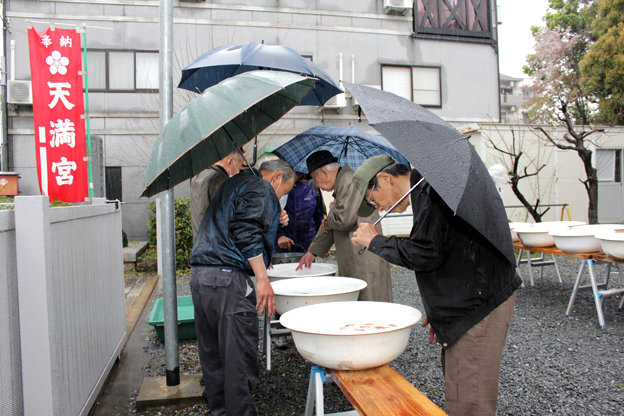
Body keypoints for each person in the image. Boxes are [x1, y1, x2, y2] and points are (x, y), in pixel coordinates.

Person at [350, 155, 522, 416]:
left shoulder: (434, 188)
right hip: (466, 297)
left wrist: (375, 242)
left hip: (479, 303)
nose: (380, 208)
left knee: (469, 398)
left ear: (385, 179)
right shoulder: (427, 188)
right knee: (459, 382)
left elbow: (426, 253)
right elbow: (447, 247)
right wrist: (440, 310)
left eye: (374, 200)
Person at [189, 159, 295, 416]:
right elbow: (245, 231)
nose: (281, 197)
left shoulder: (236, 182)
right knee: (239, 359)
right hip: (227, 280)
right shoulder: (261, 187)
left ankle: (220, 412)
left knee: (213, 358)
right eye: (284, 191)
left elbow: (236, 220)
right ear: (276, 177)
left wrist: (273, 217)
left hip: (201, 277)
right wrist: (262, 279)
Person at [296, 150, 392, 302]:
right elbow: (332, 223)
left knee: (370, 301)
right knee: (357, 300)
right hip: (356, 254)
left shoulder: (349, 180)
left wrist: (332, 211)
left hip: (364, 257)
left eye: (315, 179)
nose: (317, 185)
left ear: (324, 172)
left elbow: (343, 220)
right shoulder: (343, 182)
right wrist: (312, 252)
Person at [190, 148, 247, 239]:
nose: (238, 170)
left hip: (200, 243)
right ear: (230, 162)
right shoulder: (221, 181)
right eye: (239, 165)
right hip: (217, 247)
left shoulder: (199, 176)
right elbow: (231, 218)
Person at [274, 173, 325, 253]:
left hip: (307, 245)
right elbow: (270, 215)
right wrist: (279, 236)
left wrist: (323, 242)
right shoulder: (279, 184)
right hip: (282, 245)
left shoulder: (312, 185)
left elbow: (320, 217)